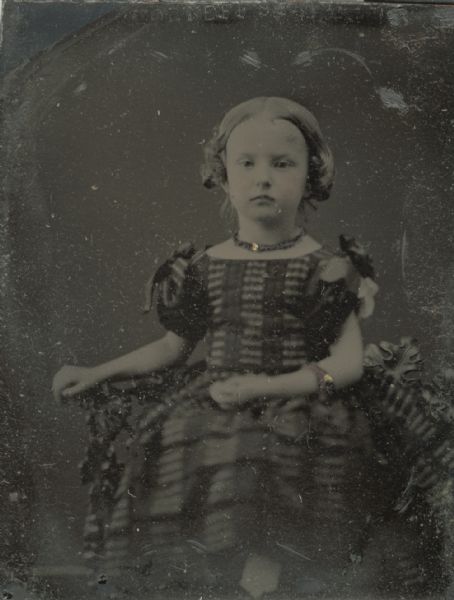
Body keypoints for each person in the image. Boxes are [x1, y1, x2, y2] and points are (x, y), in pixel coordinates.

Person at [52, 97, 450, 599]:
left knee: (269, 456)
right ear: (223, 176)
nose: (263, 178)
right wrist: (98, 372)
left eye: (282, 164)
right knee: (191, 447)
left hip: (304, 399)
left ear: (311, 176)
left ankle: (264, 586)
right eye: (247, 163)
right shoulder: (202, 267)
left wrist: (270, 386)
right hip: (216, 399)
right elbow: (174, 346)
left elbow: (347, 363)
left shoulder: (327, 268)